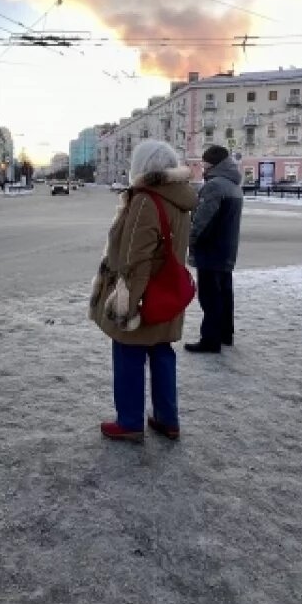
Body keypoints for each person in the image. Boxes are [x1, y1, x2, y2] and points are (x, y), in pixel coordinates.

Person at [90, 140, 197, 442]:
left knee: (127, 354)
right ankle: (167, 418)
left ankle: (130, 421)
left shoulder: (145, 200)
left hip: (144, 294)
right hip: (168, 292)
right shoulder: (181, 198)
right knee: (162, 352)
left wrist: (127, 304)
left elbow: (135, 260)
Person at [185, 145, 243, 353]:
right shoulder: (233, 185)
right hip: (227, 248)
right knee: (225, 293)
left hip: (211, 249)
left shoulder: (214, 186)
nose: (203, 167)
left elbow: (202, 220)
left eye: (204, 163)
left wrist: (191, 238)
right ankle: (226, 334)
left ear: (211, 163)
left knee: (210, 296)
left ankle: (210, 339)